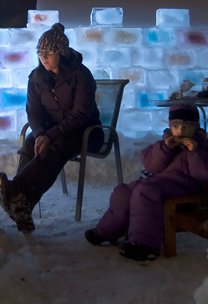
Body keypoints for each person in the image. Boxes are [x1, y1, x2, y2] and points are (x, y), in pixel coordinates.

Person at [0, 23, 103, 233]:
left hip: (86, 132)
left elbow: (81, 115)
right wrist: (41, 133)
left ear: (61, 53)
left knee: (55, 145)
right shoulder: (36, 78)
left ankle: (18, 192)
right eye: (40, 52)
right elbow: (33, 112)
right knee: (30, 143)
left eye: (49, 52)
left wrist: (50, 135)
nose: (43, 57)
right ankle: (22, 204)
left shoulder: (81, 75)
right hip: (53, 130)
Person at [85, 103, 208, 261]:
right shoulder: (166, 143)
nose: (181, 131)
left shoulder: (202, 148)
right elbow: (151, 165)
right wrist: (165, 148)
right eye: (176, 126)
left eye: (186, 127)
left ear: (196, 128)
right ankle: (104, 232)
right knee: (123, 192)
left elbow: (203, 175)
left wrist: (194, 152)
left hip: (185, 189)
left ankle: (145, 245)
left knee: (145, 193)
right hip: (160, 183)